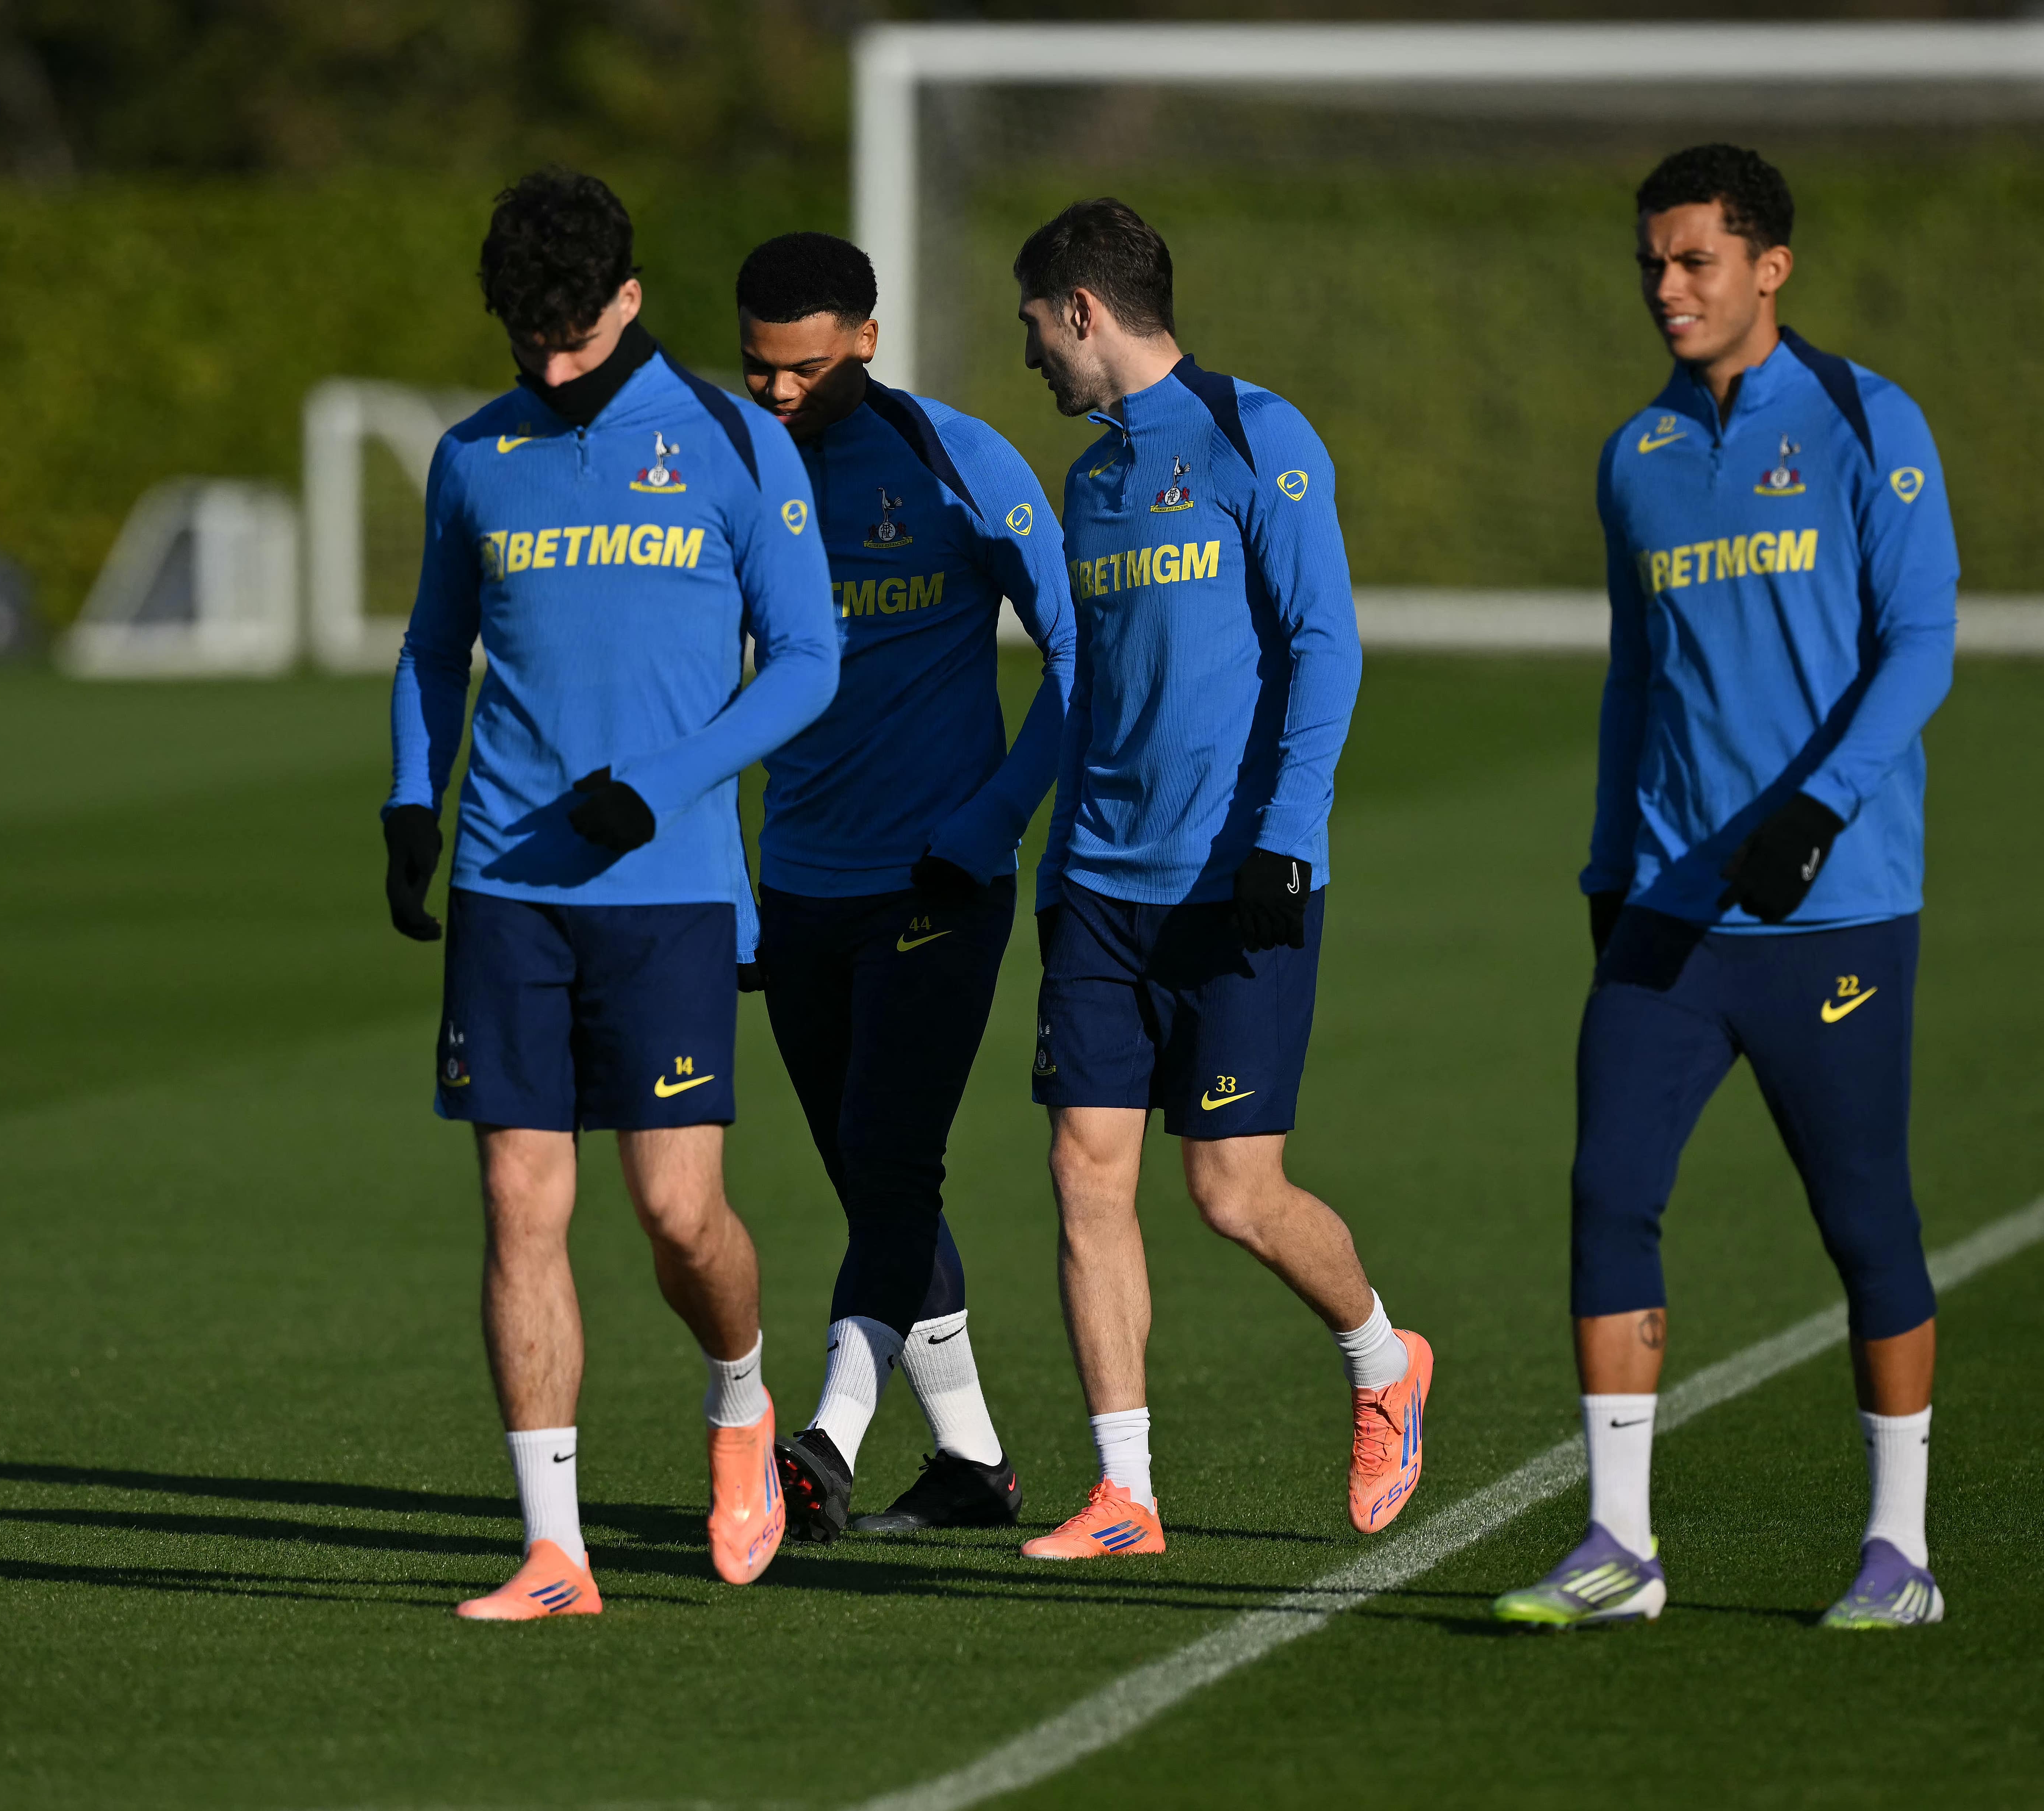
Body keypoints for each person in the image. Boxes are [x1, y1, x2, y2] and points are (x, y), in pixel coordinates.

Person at [1494, 145, 1957, 1632]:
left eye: (1694, 260)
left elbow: (1920, 645)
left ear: (1771, 267)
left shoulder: (1866, 421)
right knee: (1609, 1193)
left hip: (1836, 908)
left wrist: (1818, 811)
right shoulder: (1635, 454)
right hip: (1669, 910)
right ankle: (1618, 1546)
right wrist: (1606, 862)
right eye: (1652, 262)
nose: (1666, 286)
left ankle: (1901, 1553)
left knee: (1863, 1220)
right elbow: (1637, 678)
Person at [382, 168, 838, 1620]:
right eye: (529, 341)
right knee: (521, 1200)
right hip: (507, 885)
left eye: (575, 336)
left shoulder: (734, 441)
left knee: (677, 1214)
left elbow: (811, 660)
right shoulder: (474, 455)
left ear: (631, 300)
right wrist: (411, 801)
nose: (554, 364)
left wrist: (665, 781)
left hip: (671, 888)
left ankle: (742, 1396)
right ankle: (554, 1550)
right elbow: (431, 649)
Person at [1012, 198, 1431, 1561]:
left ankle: (1383, 1364)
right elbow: (1087, 689)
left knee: (1233, 1193)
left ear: (1084, 310)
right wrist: (1036, 852)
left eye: (1035, 324)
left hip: (1240, 877)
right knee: (1085, 1174)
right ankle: (1123, 1493)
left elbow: (1325, 643)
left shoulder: (1258, 434)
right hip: (1098, 887)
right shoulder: (1087, 483)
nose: (1030, 354)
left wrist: (1287, 835)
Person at [731, 232, 1075, 1542]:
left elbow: (1080, 655)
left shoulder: (957, 458)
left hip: (936, 883)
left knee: (890, 1160)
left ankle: (820, 1445)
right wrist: (731, 885)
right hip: (796, 889)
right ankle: (974, 1465)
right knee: (876, 1189)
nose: (780, 392)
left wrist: (990, 820)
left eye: (808, 368)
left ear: (866, 343)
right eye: (759, 367)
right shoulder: (730, 469)